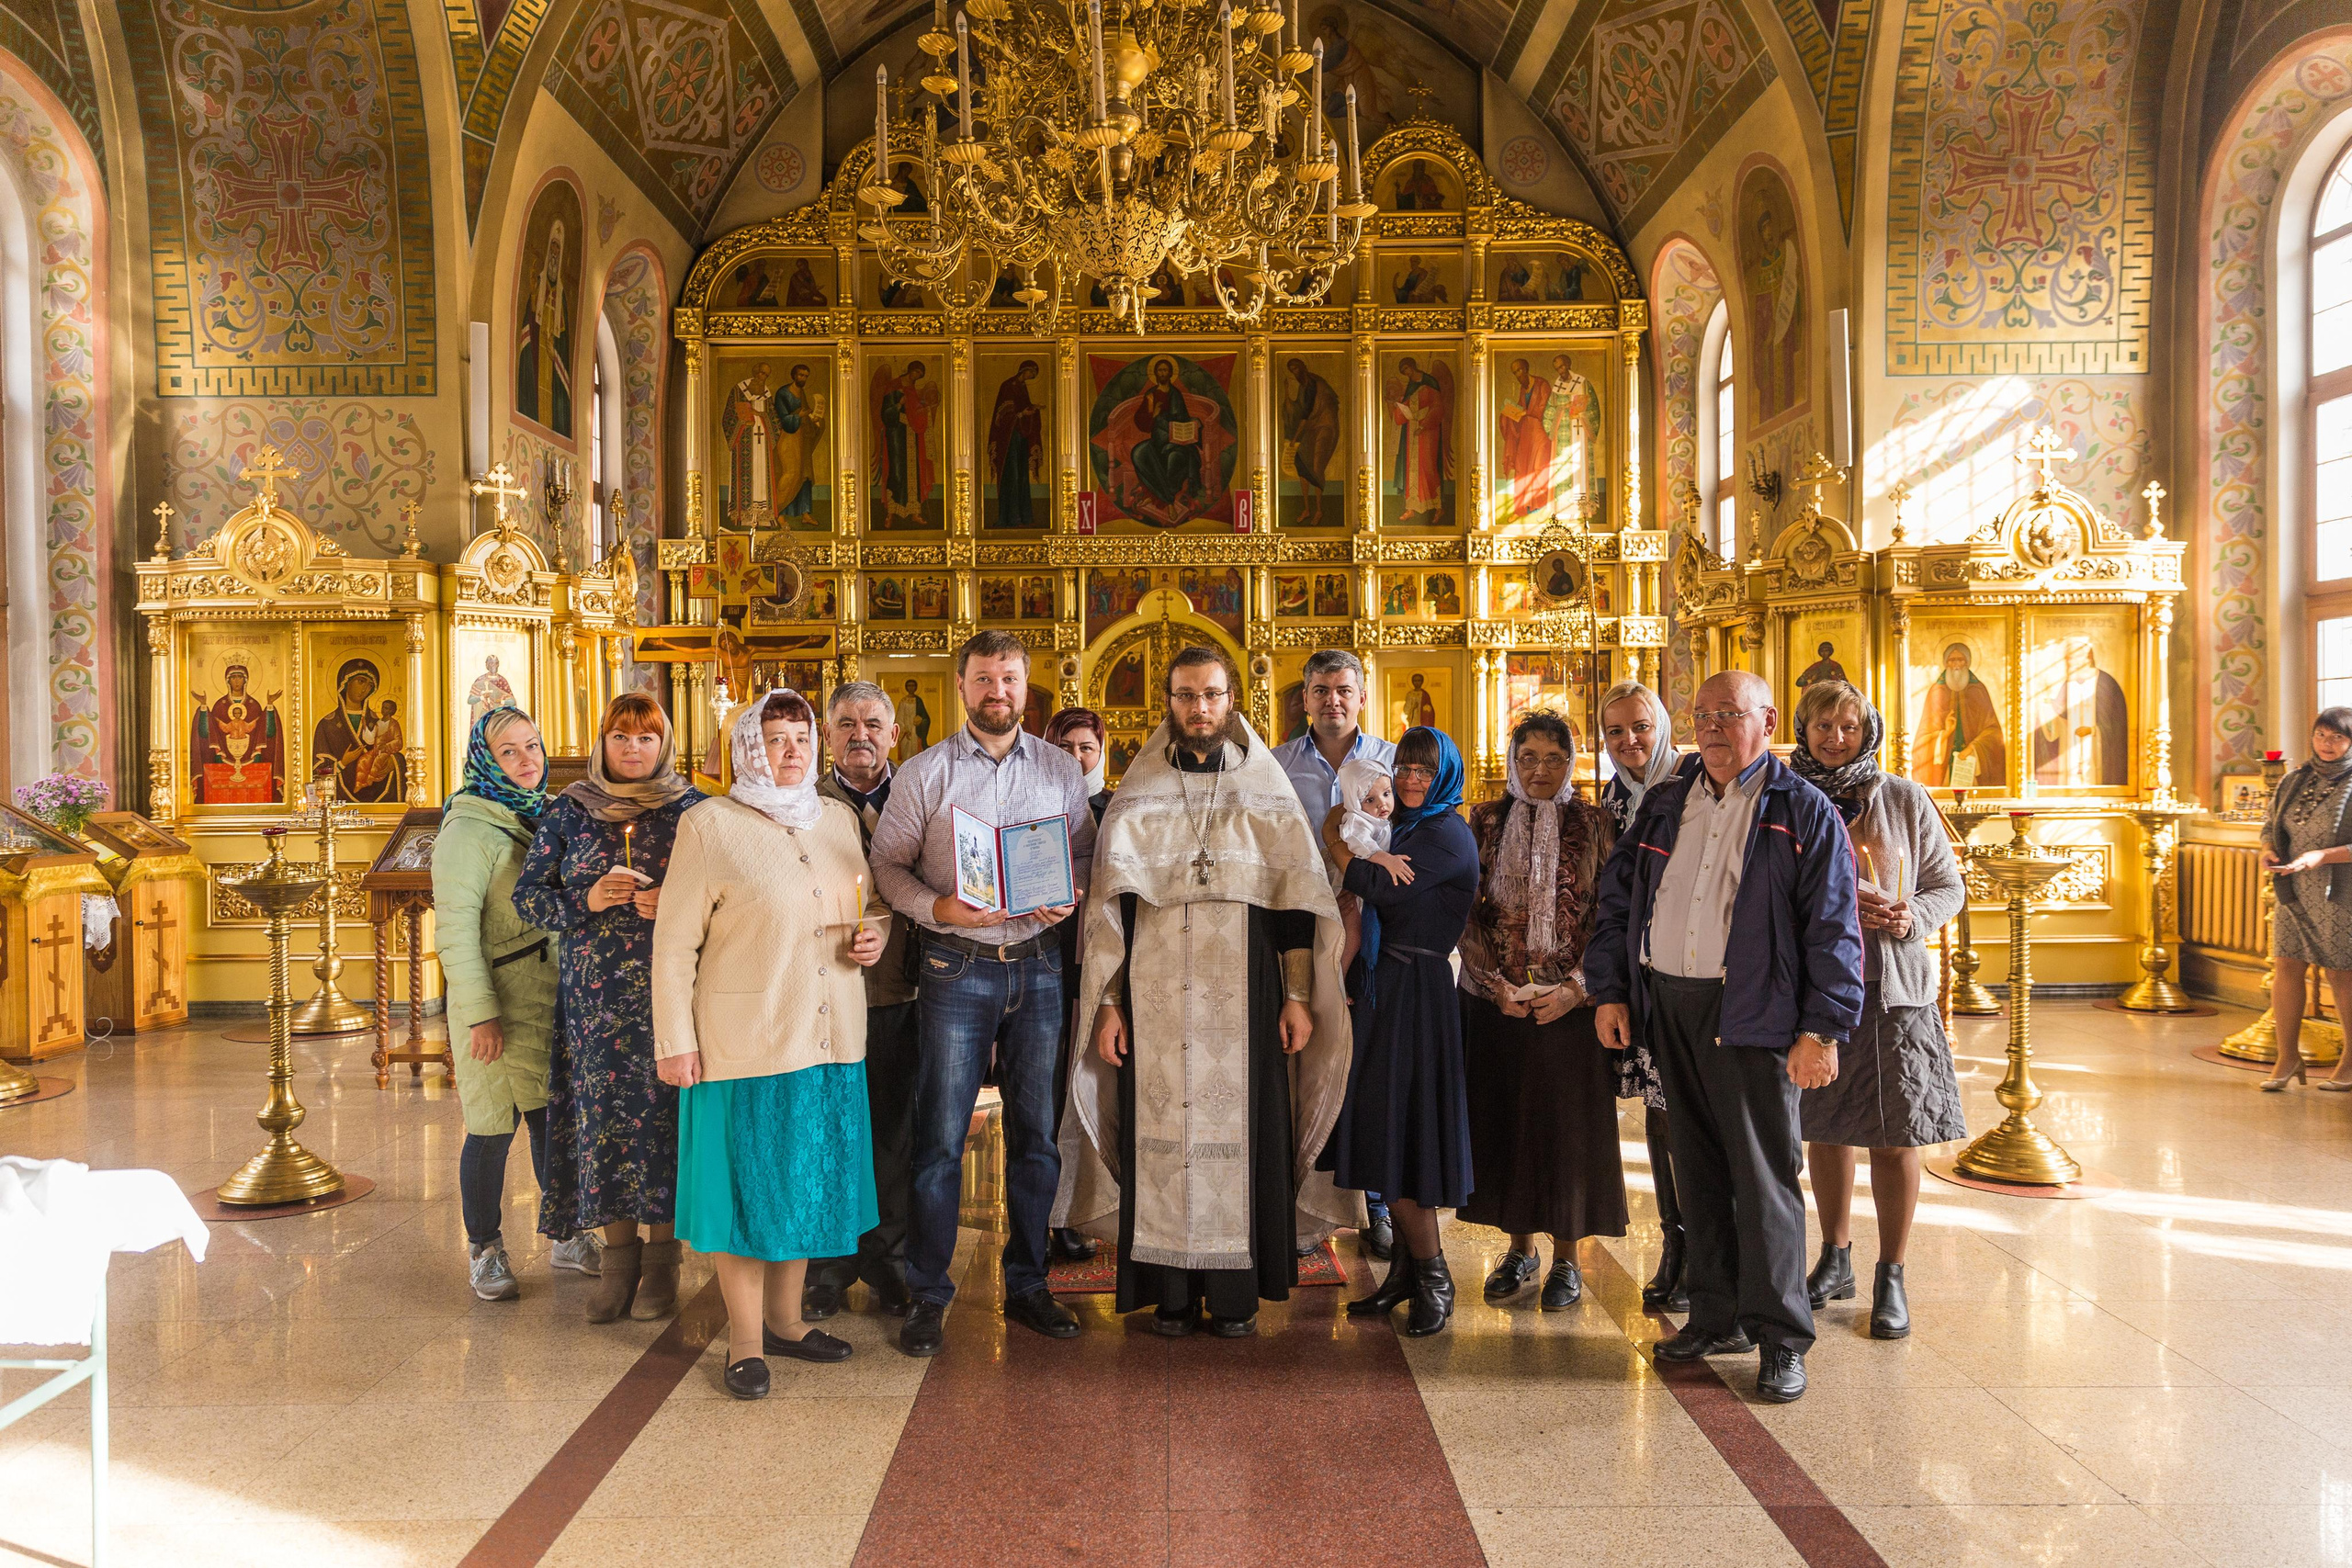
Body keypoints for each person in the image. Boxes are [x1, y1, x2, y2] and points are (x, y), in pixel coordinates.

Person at [1058, 647, 1356, 1337]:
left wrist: (1296, 994)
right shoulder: (1138, 792)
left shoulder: (1267, 788)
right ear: (1170, 701)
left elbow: (1291, 904)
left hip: (1245, 993)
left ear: (1232, 701)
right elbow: (1113, 913)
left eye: (1212, 695)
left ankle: (1233, 1297)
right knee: (1156, 1132)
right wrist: (1108, 1005)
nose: (1199, 708)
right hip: (1153, 998)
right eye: (1187, 695)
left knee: (1246, 1132)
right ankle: (1169, 1293)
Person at [1588, 670, 1862, 1404]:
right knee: (1695, 1170)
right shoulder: (1667, 802)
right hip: (1668, 1004)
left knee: (1764, 1176)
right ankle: (1714, 1314)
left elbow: (1834, 927)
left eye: (1728, 714)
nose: (1711, 726)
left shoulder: (1800, 809)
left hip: (1754, 1011)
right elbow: (1618, 900)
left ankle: (1779, 1337)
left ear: (1767, 720)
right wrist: (1612, 988)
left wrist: (1821, 1029)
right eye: (1702, 714)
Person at [653, 691, 887, 1400]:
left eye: (800, 736)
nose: (791, 750)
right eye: (775, 738)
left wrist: (874, 933)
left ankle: (788, 1321)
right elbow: (672, 944)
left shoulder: (838, 818)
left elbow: (864, 903)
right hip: (745, 1042)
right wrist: (674, 1040)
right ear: (746, 747)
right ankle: (746, 1341)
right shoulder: (710, 824)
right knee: (746, 1194)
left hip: (829, 1034)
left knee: (804, 1183)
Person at [869, 631, 1093, 1357]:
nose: (998, 691)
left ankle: (1028, 1282)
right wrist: (940, 908)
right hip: (954, 967)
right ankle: (928, 1292)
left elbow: (1084, 850)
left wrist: (1072, 894)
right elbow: (888, 867)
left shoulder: (1060, 768)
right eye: (984, 679)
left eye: (1010, 679)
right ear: (961, 686)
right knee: (938, 1140)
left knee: (1037, 1135)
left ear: (1026, 688)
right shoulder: (925, 773)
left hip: (1039, 964)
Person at [515, 693, 705, 1324]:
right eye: (621, 736)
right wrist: (586, 898)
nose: (633, 748)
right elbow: (529, 897)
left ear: (664, 745)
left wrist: (674, 904)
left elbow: (731, 899)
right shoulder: (569, 811)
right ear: (603, 744)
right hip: (594, 1005)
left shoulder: (695, 811)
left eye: (646, 738)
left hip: (670, 1000)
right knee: (606, 1130)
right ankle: (617, 1260)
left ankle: (662, 1264)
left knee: (663, 1127)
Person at [1788, 682, 1966, 1340]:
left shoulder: (1903, 796)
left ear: (1871, 731)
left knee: (1896, 1136)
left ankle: (1892, 1272)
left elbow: (1949, 887)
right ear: (1802, 728)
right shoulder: (1789, 797)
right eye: (1823, 725)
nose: (1836, 737)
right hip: (1816, 992)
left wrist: (1908, 914)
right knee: (1826, 1127)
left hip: (1893, 990)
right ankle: (1835, 1258)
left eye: (1850, 726)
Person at [1459, 712, 1637, 1312]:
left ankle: (1566, 1257)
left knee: (1567, 1134)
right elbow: (1467, 911)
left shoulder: (1596, 822)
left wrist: (1580, 986)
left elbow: (1612, 916)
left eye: (1553, 759)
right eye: (1528, 757)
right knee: (1510, 1125)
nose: (1539, 770)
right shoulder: (1483, 820)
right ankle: (1520, 1248)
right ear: (1513, 760)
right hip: (1501, 1006)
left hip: (1571, 1005)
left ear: (1572, 762)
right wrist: (1493, 984)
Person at [434, 708, 599, 1302]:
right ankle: (485, 1248)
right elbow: (453, 933)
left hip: (546, 997)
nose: (527, 759)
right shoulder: (466, 832)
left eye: (533, 745)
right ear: (485, 759)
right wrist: (480, 1013)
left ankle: (565, 1232)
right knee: (490, 1130)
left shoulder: (542, 814)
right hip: (495, 1008)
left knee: (551, 1121)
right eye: (509, 751)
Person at [1322, 726, 1481, 1337]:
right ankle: (1405, 1276)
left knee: (1412, 1135)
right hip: (1386, 985)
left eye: (1424, 769)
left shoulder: (1446, 834)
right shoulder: (1407, 828)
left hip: (1418, 994)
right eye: (1406, 767)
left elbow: (1374, 884)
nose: (1412, 778)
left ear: (1443, 774)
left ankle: (1434, 1277)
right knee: (1387, 1129)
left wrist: (1337, 838)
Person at [1272, 649, 1398, 1258]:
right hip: (1301, 928)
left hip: (1376, 930)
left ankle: (1375, 1201)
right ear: (1304, 696)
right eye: (1320, 690)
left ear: (1362, 695)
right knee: (1306, 1066)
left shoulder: (1394, 763)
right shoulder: (1275, 765)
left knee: (1369, 1068)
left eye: (1344, 689)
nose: (1332, 701)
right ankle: (1302, 1204)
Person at [801, 682, 921, 1318]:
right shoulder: (803, 804)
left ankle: (889, 1260)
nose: (860, 734)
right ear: (827, 734)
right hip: (823, 994)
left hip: (902, 987)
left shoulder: (920, 792)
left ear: (894, 733)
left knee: (894, 1133)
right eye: (845, 723)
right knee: (828, 1130)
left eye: (873, 722)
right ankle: (826, 1265)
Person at [1596, 682, 1691, 1310]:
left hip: (1693, 972)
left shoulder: (1688, 781)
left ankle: (1712, 1246)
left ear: (1661, 724)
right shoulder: (1611, 797)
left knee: (1693, 1114)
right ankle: (1675, 1241)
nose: (1630, 741)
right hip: (1641, 974)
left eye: (1640, 727)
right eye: (1615, 732)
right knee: (1659, 1113)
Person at [1042, 706, 1113, 1263]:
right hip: (1044, 960)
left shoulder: (1114, 807)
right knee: (1045, 1096)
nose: (1075, 757)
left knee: (1088, 1091)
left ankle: (1087, 1207)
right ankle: (1051, 1215)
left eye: (1085, 747)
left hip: (1099, 967)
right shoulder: (1033, 805)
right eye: (1064, 747)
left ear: (1101, 752)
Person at [2261, 707, 2352, 1090]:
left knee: (2341, 973)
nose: (2327, 744)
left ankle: (2351, 1060)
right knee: (2287, 966)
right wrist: (2267, 849)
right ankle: (2287, 1057)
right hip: (2293, 887)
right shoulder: (2294, 779)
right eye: (2321, 735)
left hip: (2340, 890)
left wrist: (2322, 856)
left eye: (2337, 737)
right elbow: (2270, 825)